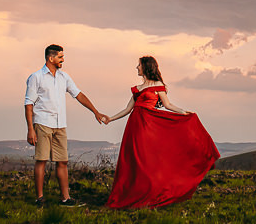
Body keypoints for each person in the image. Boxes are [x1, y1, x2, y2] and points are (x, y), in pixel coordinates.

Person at [103, 56, 220, 209]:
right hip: (134, 127)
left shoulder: (158, 85)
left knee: (148, 160)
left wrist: (183, 112)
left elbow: (168, 104)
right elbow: (127, 109)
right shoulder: (137, 89)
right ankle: (134, 192)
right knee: (134, 161)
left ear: (146, 67)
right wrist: (110, 119)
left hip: (150, 125)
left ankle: (152, 192)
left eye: (138, 65)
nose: (136, 68)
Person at [25, 44, 107, 207]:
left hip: (60, 124)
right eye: (60, 57)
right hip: (42, 123)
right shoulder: (36, 77)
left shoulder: (64, 77)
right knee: (41, 160)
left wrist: (95, 112)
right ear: (51, 58)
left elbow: (79, 95)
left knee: (62, 162)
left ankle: (65, 198)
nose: (63, 60)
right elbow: (28, 104)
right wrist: (30, 129)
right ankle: (40, 198)